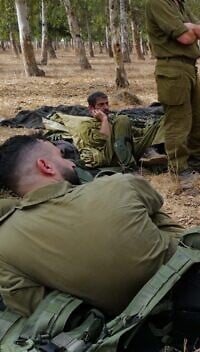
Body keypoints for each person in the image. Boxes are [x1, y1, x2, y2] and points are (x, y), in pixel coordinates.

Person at [0, 135, 184, 317]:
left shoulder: (5, 244)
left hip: (121, 327)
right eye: (62, 157)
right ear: (46, 166)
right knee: (149, 211)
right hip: (186, 284)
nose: (72, 164)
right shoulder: (118, 184)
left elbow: (35, 309)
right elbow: (156, 203)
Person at [145, 0, 200, 190]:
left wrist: (191, 27)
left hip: (189, 68)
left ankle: (196, 161)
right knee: (178, 122)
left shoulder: (179, 2)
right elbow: (185, 38)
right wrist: (190, 30)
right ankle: (179, 170)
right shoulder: (157, 2)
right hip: (171, 68)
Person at [75, 91, 167, 170]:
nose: (106, 107)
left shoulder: (112, 119)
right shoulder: (85, 124)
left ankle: (154, 151)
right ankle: (129, 166)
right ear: (91, 108)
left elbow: (137, 132)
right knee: (122, 119)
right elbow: (102, 141)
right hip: (110, 156)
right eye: (101, 105)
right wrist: (104, 120)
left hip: (129, 149)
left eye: (107, 103)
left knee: (165, 118)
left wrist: (152, 130)